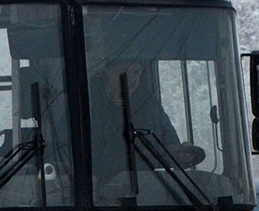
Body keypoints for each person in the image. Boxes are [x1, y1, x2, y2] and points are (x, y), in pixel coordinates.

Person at [87, 59, 204, 191]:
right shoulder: (85, 103)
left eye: (136, 72)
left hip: (149, 188)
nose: (132, 78)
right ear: (107, 72)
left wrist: (183, 155)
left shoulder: (150, 106)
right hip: (100, 188)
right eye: (125, 72)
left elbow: (170, 146)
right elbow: (68, 153)